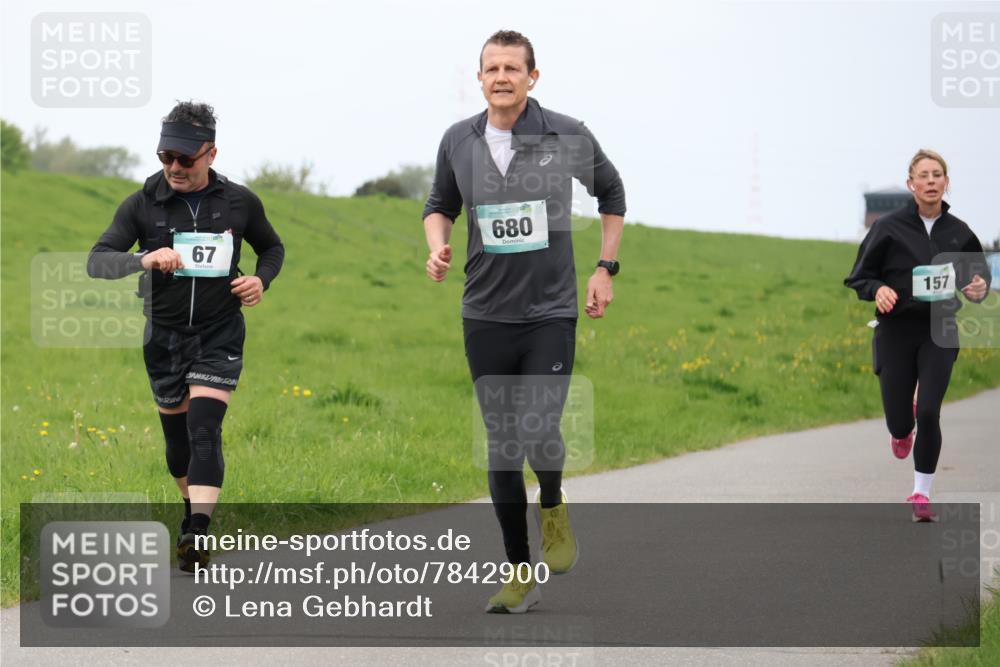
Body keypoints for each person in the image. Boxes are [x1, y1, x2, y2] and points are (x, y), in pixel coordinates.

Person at [423, 30, 625, 611]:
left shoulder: (565, 133)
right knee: (502, 447)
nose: (502, 76)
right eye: (492, 68)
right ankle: (517, 572)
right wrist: (436, 246)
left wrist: (604, 267)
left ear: (532, 78)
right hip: (484, 313)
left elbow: (612, 193)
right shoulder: (458, 140)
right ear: (479, 77)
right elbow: (439, 205)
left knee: (537, 427)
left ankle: (554, 504)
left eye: (513, 67)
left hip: (550, 312)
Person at [87, 101, 285, 569]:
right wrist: (143, 258)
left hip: (219, 332)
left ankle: (198, 530)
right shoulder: (141, 204)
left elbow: (272, 247)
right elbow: (98, 260)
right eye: (165, 157)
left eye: (185, 158)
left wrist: (261, 279)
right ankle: (190, 509)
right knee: (177, 443)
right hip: (164, 336)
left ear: (210, 153)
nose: (174, 167)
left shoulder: (240, 202)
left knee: (203, 429)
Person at [845, 149, 990, 522]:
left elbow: (979, 278)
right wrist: (877, 290)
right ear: (911, 184)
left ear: (946, 182)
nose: (930, 181)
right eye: (923, 175)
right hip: (895, 328)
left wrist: (977, 289)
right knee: (900, 418)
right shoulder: (888, 228)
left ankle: (921, 493)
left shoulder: (959, 232)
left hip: (940, 328)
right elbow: (860, 275)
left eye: (937, 174)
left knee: (928, 410)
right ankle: (900, 430)